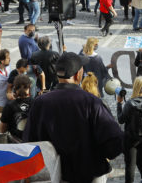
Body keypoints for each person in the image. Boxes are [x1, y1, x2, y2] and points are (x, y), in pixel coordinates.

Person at [24, 52, 124, 183]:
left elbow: (29, 142)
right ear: (79, 74)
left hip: (54, 176)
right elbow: (114, 142)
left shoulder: (40, 103)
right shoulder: (92, 103)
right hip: (90, 175)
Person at [117, 76, 142, 183]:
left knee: (130, 166)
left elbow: (120, 119)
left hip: (130, 138)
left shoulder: (130, 104)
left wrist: (119, 104)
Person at [0, 74, 32, 141]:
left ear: (14, 88)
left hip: (16, 143)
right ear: (30, 86)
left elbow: (2, 130)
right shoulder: (36, 103)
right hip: (33, 142)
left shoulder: (9, 106)